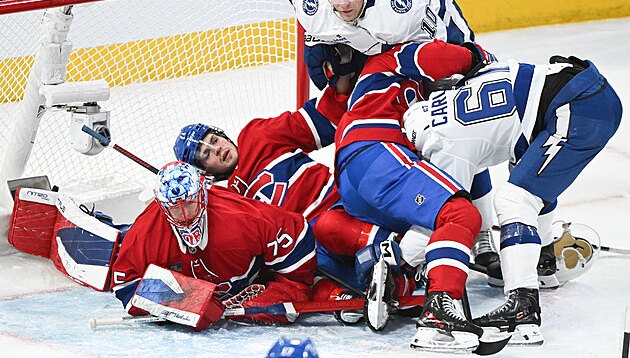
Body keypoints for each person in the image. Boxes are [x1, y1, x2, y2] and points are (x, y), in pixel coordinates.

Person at [280, 0, 501, 283]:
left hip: (433, 23)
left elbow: (434, 45)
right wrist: (318, 46)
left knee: (459, 128)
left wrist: (468, 62)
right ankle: (427, 240)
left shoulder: (400, 7)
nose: (344, 2)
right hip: (375, 94)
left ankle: (483, 235)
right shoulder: (314, 4)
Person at [403, 55, 622, 345]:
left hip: (577, 106)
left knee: (514, 200)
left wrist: (399, 257)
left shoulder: (441, 138)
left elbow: (443, 218)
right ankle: (541, 263)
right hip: (587, 95)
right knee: (527, 187)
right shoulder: (463, 93)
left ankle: (523, 309)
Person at [172, 87, 413, 326]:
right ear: (203, 172)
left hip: (342, 205)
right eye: (207, 154)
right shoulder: (222, 201)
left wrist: (342, 87)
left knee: (329, 226)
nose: (217, 150)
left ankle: (408, 253)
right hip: (308, 244)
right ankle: (361, 297)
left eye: (214, 140)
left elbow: (317, 119)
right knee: (305, 272)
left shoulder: (256, 136)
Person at [331, 38, 505, 352]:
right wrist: (480, 57)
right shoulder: (387, 60)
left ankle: (392, 273)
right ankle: (439, 315)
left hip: (359, 179)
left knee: (442, 210)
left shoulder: (400, 90)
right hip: (378, 154)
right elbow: (439, 55)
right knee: (459, 213)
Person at [110, 161, 318, 329]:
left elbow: (297, 232)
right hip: (213, 278)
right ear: (162, 205)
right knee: (125, 242)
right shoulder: (145, 233)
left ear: (203, 192)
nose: (184, 215)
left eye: (190, 204)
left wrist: (290, 289)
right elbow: (125, 284)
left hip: (251, 280)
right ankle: (117, 230)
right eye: (174, 208)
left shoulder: (243, 217)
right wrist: (186, 301)